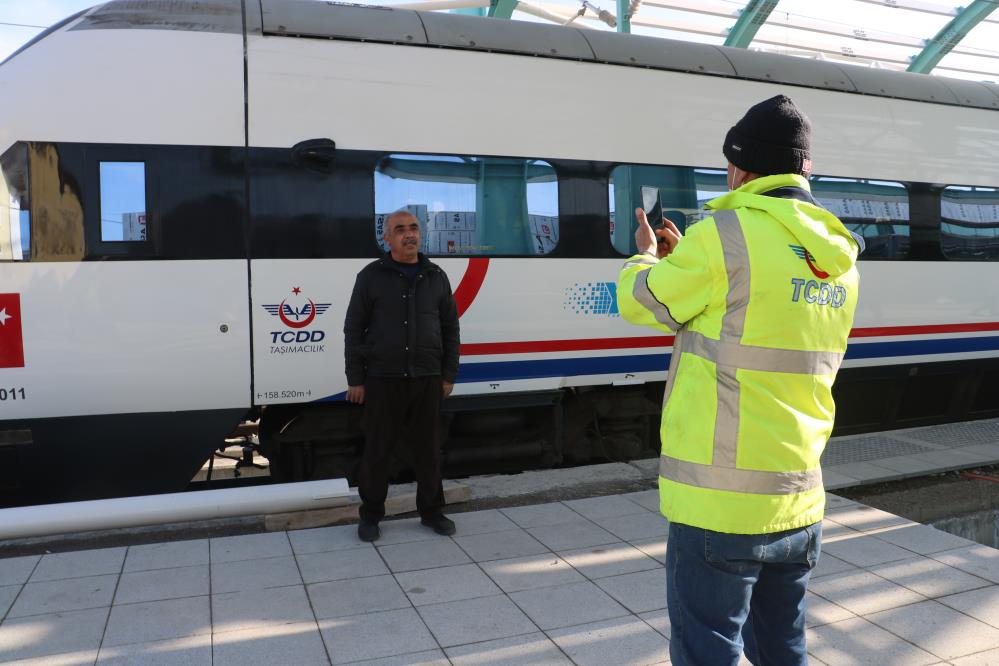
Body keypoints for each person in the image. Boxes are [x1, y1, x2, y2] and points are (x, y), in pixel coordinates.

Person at [616, 95, 861, 665]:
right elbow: (754, 305)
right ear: (802, 170)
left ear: (739, 168)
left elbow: (641, 301)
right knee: (782, 649)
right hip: (798, 498)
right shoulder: (840, 257)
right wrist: (692, 263)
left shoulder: (723, 235)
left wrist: (647, 258)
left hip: (720, 506)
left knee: (709, 650)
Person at [344, 209, 460, 542]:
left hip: (427, 377)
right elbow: (354, 328)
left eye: (413, 228)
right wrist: (356, 378)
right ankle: (370, 516)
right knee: (378, 451)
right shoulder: (371, 276)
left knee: (429, 450)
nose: (409, 234)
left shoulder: (436, 276)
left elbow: (450, 328)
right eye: (400, 229)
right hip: (383, 378)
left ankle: (432, 512)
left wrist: (448, 374)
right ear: (387, 238)